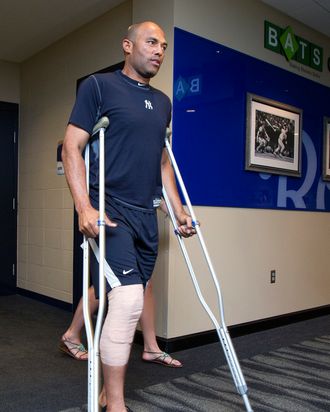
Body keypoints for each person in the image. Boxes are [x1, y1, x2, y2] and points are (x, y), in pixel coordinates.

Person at [62, 21, 195, 412]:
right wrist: (83, 206)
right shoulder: (98, 87)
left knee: (131, 295)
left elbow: (162, 160)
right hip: (109, 209)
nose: (159, 50)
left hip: (145, 214)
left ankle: (109, 386)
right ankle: (115, 402)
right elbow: (72, 147)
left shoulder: (164, 102)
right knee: (127, 299)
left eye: (164, 46)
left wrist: (176, 207)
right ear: (127, 46)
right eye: (151, 42)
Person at [59, 279, 182, 367]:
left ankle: (151, 347)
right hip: (114, 242)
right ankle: (71, 335)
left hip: (138, 242)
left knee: (145, 284)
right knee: (103, 282)